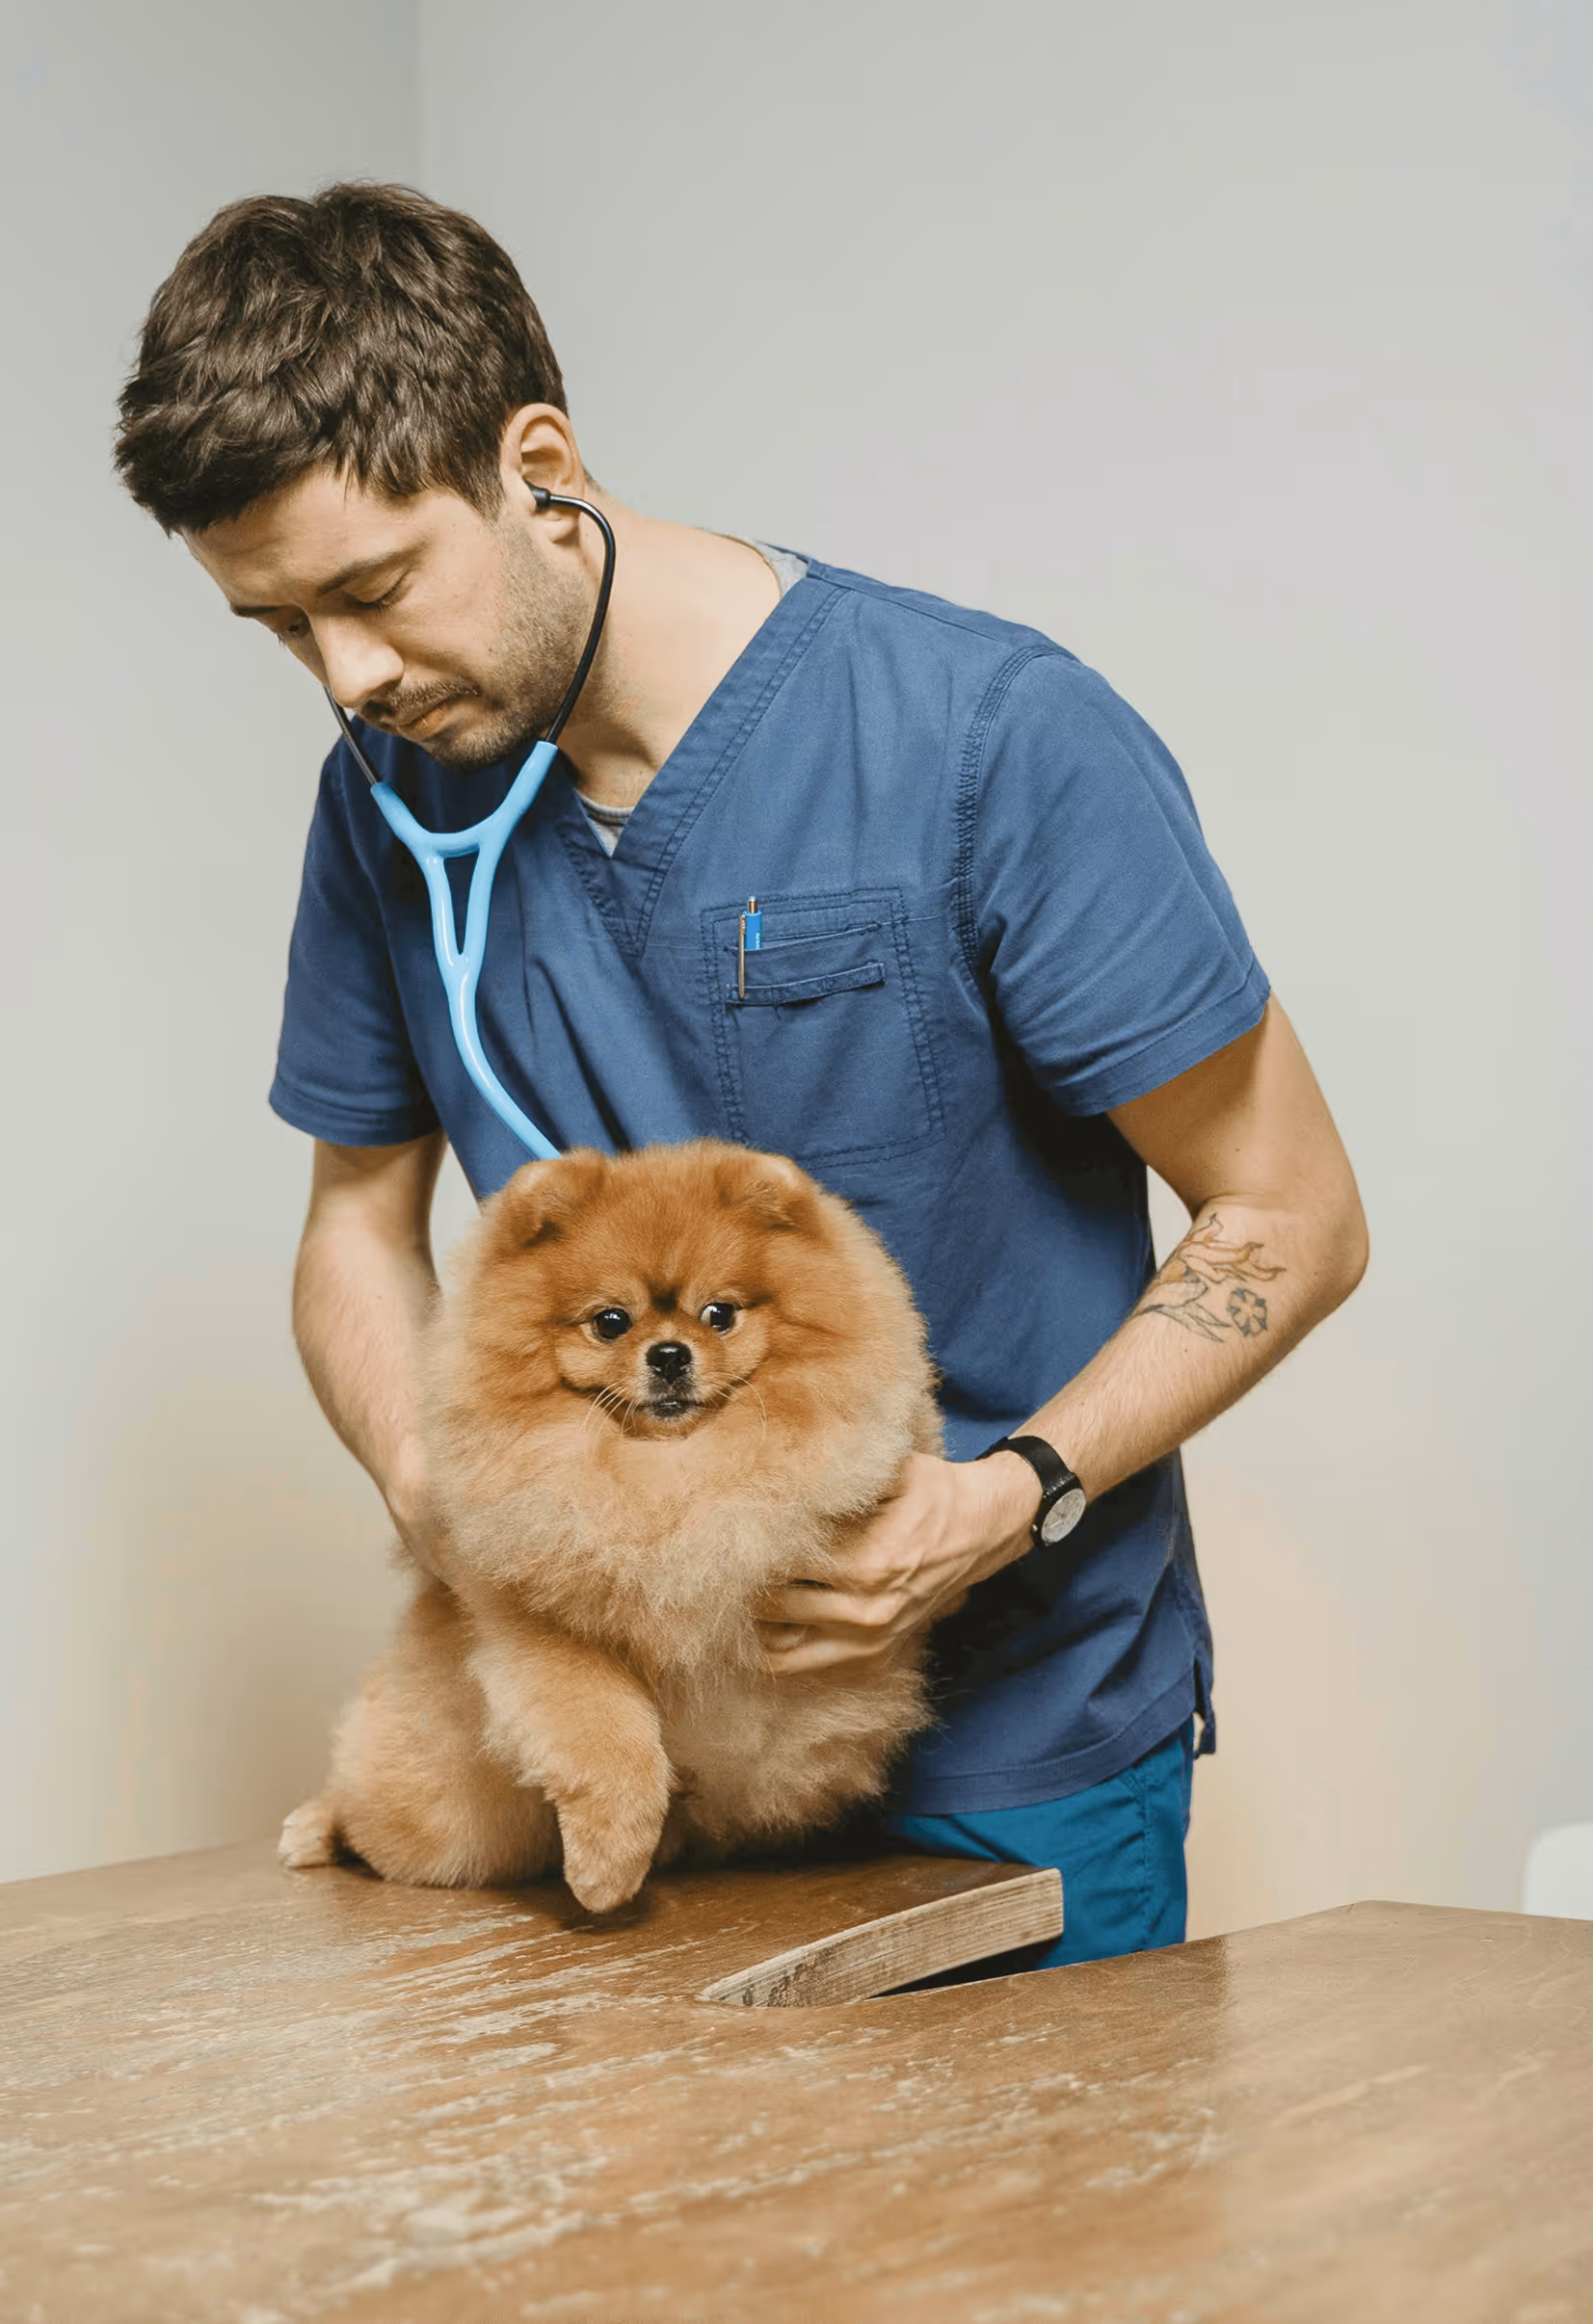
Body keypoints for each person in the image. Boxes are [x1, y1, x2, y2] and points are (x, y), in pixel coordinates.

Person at [115, 182, 1367, 1968]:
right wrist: (436, 1488)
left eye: (374, 591)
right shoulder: (388, 798)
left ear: (538, 466)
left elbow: (1293, 1213)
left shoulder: (985, 738)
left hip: (1007, 1730)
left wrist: (1006, 1497)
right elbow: (354, 1225)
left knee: (1044, 2164)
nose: (349, 676)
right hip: (622, 1732)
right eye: (282, 628)